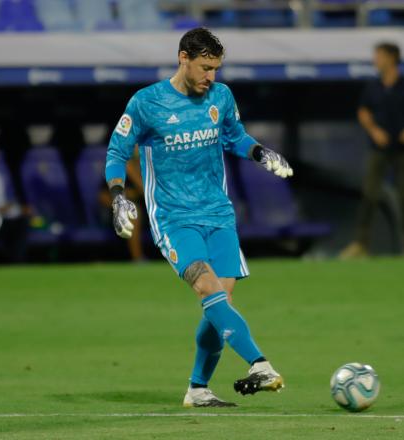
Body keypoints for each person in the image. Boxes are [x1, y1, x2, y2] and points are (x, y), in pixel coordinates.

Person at [105, 28, 292, 407]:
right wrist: (118, 197)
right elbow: (116, 151)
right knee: (209, 289)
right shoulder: (147, 103)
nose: (211, 77)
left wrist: (260, 153)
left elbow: (233, 135)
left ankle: (197, 388)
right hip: (174, 218)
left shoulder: (220, 97)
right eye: (205, 67)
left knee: (219, 303)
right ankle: (259, 363)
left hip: (219, 214)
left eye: (216, 69)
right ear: (183, 58)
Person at [340, 42, 404, 259]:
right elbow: (363, 112)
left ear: (391, 58)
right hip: (379, 148)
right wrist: (374, 131)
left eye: (379, 56)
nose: (375, 60)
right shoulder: (373, 86)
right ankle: (360, 244)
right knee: (369, 194)